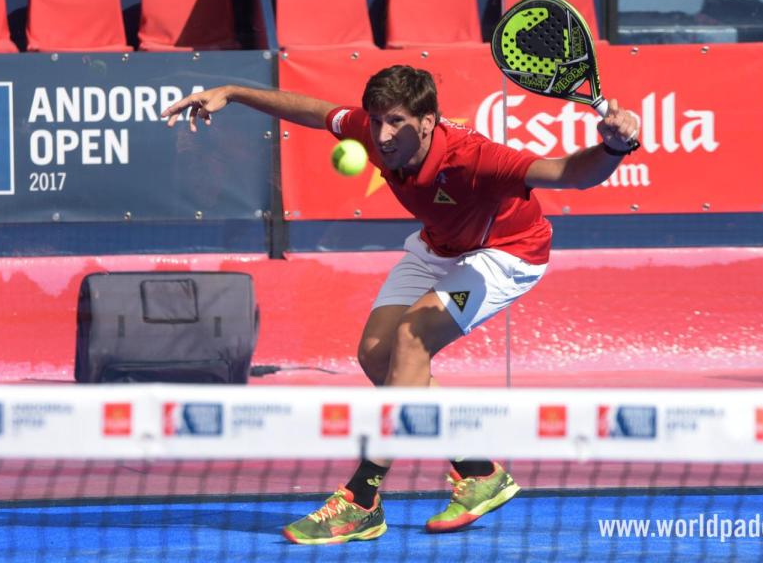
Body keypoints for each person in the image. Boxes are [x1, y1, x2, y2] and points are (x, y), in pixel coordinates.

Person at [162, 65, 639, 545]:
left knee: (412, 337)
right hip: (438, 248)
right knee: (376, 355)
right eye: (374, 121)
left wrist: (614, 147)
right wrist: (233, 92)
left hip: (504, 254)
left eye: (396, 123)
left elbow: (568, 174)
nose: (383, 135)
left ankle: (361, 499)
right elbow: (313, 111)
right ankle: (478, 469)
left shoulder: (477, 159)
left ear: (428, 121)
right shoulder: (371, 133)